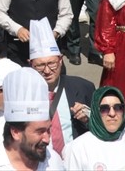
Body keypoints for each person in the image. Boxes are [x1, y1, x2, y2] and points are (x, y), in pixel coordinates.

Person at [0, 66, 63, 171]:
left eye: (48, 130)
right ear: (16, 132)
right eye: (40, 132)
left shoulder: (54, 162)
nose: (47, 139)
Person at [27, 19, 95, 154]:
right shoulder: (24, 94)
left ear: (61, 60)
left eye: (52, 63)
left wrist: (88, 119)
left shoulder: (83, 87)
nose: (47, 71)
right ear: (30, 65)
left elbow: (102, 127)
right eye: (40, 65)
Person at [63, 86, 125, 171]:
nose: (112, 113)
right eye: (104, 109)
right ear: (95, 111)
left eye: (118, 107)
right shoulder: (78, 147)